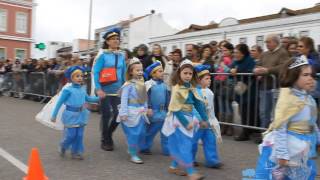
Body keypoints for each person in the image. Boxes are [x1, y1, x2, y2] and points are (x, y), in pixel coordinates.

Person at [255, 56, 320, 179]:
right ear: (294, 76)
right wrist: (282, 154)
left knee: (305, 174)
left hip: (303, 147)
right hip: (288, 145)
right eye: (305, 75)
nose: (310, 78)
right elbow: (280, 127)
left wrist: (318, 138)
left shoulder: (308, 98)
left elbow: (312, 122)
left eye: (311, 75)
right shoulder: (288, 99)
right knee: (273, 175)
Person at [162, 59, 208, 180]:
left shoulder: (192, 88)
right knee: (185, 145)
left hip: (189, 117)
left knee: (182, 144)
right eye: (185, 73)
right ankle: (191, 172)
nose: (188, 76)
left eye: (190, 73)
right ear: (179, 74)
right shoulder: (177, 88)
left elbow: (198, 104)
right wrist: (185, 123)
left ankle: (173, 166)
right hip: (179, 119)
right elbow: (175, 109)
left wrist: (204, 119)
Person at [51, 66, 99, 160]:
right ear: (71, 78)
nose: (80, 78)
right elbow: (59, 103)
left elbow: (88, 98)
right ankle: (63, 146)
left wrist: (99, 98)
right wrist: (54, 115)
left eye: (81, 76)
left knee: (79, 135)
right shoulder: (67, 90)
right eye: (77, 76)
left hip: (81, 114)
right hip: (70, 115)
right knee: (71, 135)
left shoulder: (82, 89)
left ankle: (76, 152)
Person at [93, 28, 127, 151]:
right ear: (107, 41)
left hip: (117, 90)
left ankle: (108, 134)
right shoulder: (102, 55)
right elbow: (96, 72)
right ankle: (105, 139)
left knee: (118, 114)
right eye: (113, 39)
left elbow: (124, 73)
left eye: (117, 39)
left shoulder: (121, 55)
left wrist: (125, 87)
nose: (116, 41)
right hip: (105, 90)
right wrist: (98, 89)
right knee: (106, 114)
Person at [254, 34, 290, 129]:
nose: (266, 44)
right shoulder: (264, 54)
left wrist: (268, 70)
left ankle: (274, 134)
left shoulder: (283, 53)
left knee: (275, 113)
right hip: (264, 87)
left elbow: (283, 66)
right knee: (263, 112)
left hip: (276, 88)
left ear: (275, 42)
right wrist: (257, 71)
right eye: (266, 42)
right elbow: (258, 65)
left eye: (268, 42)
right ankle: (264, 133)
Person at [117, 58, 148, 164]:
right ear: (130, 72)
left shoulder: (142, 83)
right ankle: (133, 154)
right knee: (133, 134)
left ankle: (133, 149)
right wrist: (124, 113)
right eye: (137, 70)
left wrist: (146, 108)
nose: (140, 72)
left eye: (141, 70)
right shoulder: (128, 85)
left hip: (140, 112)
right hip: (130, 112)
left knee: (141, 133)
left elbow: (144, 98)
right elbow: (124, 99)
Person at [192, 65, 223, 169]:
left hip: (208, 121)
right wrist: (200, 120)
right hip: (198, 122)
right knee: (193, 141)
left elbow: (211, 109)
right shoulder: (195, 92)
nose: (210, 80)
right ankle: (189, 159)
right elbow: (194, 108)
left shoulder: (209, 91)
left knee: (210, 140)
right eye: (207, 78)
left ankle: (212, 160)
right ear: (199, 80)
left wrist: (213, 120)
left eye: (210, 78)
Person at [139, 61, 170, 155]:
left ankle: (167, 149)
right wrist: (148, 107)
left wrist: (169, 109)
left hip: (164, 112)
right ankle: (144, 147)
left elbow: (167, 98)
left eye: (162, 71)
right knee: (151, 131)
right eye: (160, 71)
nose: (163, 73)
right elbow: (146, 97)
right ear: (153, 73)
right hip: (153, 112)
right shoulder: (149, 84)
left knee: (166, 132)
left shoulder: (164, 85)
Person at [230, 44, 256, 141]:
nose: (235, 54)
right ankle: (246, 131)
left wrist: (238, 71)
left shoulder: (250, 61)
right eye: (235, 52)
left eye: (237, 52)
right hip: (241, 91)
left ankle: (247, 132)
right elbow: (230, 71)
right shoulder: (235, 61)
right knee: (242, 112)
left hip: (250, 91)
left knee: (249, 112)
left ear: (243, 53)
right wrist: (231, 71)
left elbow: (251, 72)